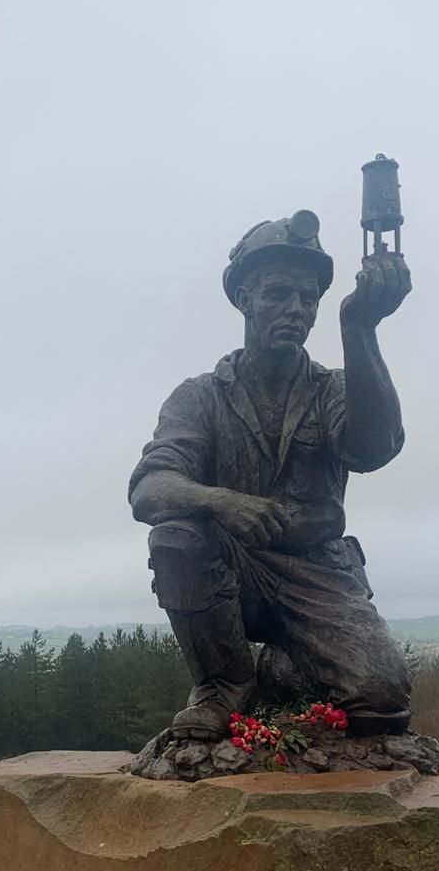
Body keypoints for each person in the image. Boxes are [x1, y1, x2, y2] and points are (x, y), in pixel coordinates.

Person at [129, 210, 413, 741]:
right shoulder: (200, 397)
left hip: (320, 574)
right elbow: (149, 489)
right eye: (278, 294)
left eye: (308, 298)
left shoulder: (332, 389)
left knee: (381, 703)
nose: (297, 310)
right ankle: (226, 686)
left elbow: (374, 449)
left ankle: (284, 669)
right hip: (233, 573)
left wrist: (361, 329)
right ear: (243, 298)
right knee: (176, 538)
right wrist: (221, 501)